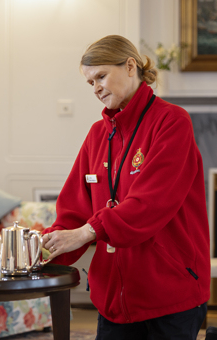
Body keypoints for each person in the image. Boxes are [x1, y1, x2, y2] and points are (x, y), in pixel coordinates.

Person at [42, 35, 210, 339]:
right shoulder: (96, 135)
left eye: (101, 76)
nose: (96, 88)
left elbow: (149, 204)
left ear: (131, 66)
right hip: (113, 300)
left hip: (170, 295)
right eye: (90, 82)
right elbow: (73, 213)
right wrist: (42, 249)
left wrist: (86, 232)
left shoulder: (172, 123)